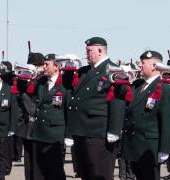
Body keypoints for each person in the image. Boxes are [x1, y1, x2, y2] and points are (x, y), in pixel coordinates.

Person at [66, 37, 126, 180]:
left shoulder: (113, 70)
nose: (86, 54)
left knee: (99, 172)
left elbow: (117, 100)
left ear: (99, 50)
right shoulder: (85, 71)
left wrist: (114, 130)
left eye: (89, 51)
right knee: (86, 173)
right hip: (81, 130)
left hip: (98, 132)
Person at [122, 50, 170, 180]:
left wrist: (164, 149)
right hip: (134, 145)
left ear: (154, 66)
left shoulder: (164, 89)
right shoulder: (138, 85)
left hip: (149, 146)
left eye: (143, 62)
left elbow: (168, 122)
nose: (140, 65)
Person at [29, 54, 67, 180]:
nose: (43, 67)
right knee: (38, 172)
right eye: (43, 64)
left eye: (47, 64)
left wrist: (69, 135)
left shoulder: (65, 84)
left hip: (55, 134)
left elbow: (68, 110)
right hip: (39, 132)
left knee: (55, 172)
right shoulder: (40, 82)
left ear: (56, 66)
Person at [14, 52, 45, 180]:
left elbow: (35, 104)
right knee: (29, 165)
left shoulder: (44, 81)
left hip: (39, 127)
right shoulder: (26, 81)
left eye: (35, 66)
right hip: (27, 127)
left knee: (38, 166)